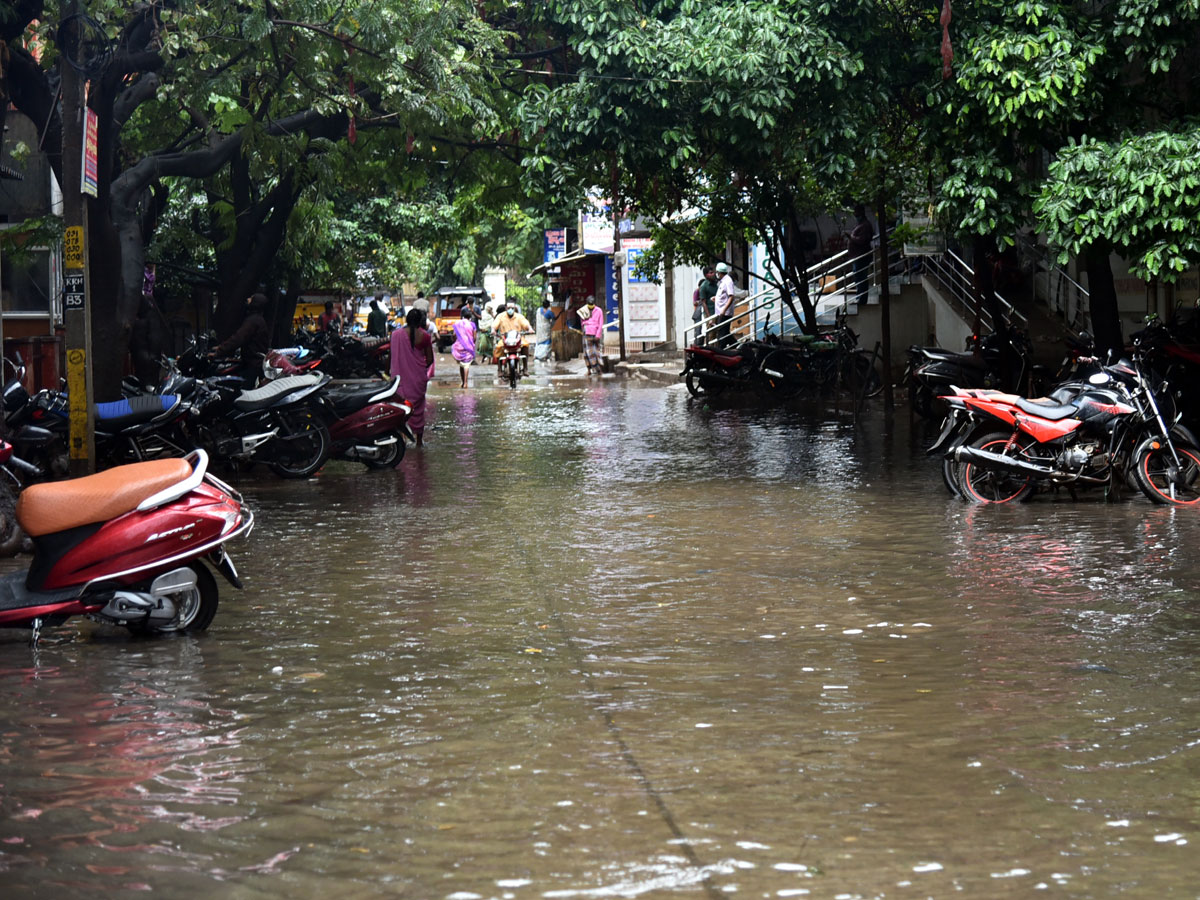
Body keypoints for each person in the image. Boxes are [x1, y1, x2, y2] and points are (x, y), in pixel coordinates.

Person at [390, 307, 435, 446]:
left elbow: (391, 356)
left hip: (400, 381)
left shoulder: (396, 335)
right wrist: (419, 369)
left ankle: (402, 440)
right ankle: (419, 442)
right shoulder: (425, 336)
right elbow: (429, 359)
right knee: (418, 410)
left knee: (401, 409)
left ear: (407, 320)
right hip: (418, 380)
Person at [213, 292, 271, 388]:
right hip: (254, 363)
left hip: (252, 365)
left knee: (240, 393)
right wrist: (220, 347)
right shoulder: (256, 319)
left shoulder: (253, 321)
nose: (248, 299)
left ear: (255, 303)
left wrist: (219, 351)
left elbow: (238, 338)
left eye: (251, 299)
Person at [491, 301, 534, 375]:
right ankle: (499, 369)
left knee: (525, 345)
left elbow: (525, 323)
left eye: (512, 308)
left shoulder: (519, 317)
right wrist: (493, 330)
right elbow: (495, 324)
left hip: (518, 339)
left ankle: (525, 368)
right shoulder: (500, 316)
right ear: (506, 308)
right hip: (505, 339)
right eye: (508, 308)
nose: (510, 309)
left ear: (514, 308)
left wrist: (530, 329)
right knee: (499, 346)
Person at [846, 204, 875, 303]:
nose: (855, 215)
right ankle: (860, 297)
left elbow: (861, 240)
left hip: (862, 256)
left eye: (856, 213)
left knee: (861, 278)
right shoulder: (860, 225)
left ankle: (862, 299)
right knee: (858, 277)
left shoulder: (865, 225)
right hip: (857, 256)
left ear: (862, 213)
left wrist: (850, 237)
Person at [713, 263, 746, 348]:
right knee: (725, 333)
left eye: (717, 272)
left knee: (722, 335)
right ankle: (739, 347)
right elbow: (724, 295)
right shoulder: (723, 281)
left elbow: (731, 296)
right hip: (721, 312)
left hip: (725, 313)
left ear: (719, 272)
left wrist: (724, 310)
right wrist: (716, 298)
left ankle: (721, 350)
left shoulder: (728, 281)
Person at [578, 295, 605, 374]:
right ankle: (589, 369)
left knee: (596, 352)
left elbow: (600, 324)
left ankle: (598, 369)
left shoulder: (599, 311)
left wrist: (598, 335)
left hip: (595, 333)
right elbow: (582, 322)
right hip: (586, 333)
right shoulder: (583, 310)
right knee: (587, 352)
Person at [451, 311, 477, 388]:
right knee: (466, 365)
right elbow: (474, 337)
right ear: (470, 317)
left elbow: (454, 335)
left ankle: (463, 382)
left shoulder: (457, 324)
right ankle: (466, 383)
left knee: (461, 365)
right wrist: (472, 344)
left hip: (459, 346)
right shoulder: (472, 324)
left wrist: (456, 341)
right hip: (468, 347)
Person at [697, 265, 718, 343]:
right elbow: (704, 303)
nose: (713, 274)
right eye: (711, 273)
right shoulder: (704, 286)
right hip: (710, 312)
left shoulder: (716, 284)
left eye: (713, 272)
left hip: (718, 311)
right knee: (711, 334)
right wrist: (709, 318)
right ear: (706, 275)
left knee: (717, 334)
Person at [534, 298, 557, 362]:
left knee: (539, 341)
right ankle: (545, 355)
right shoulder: (549, 312)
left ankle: (537, 355)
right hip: (546, 329)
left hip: (539, 329)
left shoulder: (538, 310)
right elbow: (554, 319)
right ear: (548, 305)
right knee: (547, 342)